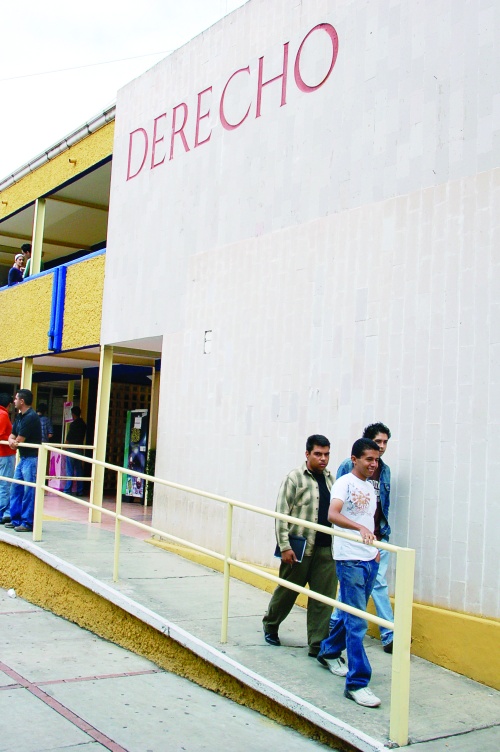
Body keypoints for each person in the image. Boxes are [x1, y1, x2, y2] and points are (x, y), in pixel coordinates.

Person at [317, 438, 381, 708]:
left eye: (376, 460)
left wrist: (374, 548)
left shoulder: (371, 487)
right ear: (354, 459)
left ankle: (329, 651)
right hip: (349, 559)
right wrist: (359, 529)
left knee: (351, 614)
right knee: (358, 621)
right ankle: (357, 683)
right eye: (368, 459)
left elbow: (369, 521)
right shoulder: (344, 482)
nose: (373, 464)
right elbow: (332, 514)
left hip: (369, 558)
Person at [262, 435, 337, 658]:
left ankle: (317, 644)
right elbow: (281, 513)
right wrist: (285, 546)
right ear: (307, 454)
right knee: (287, 591)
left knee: (323, 599)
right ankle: (271, 624)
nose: (323, 459)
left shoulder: (331, 479)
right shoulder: (294, 478)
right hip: (299, 549)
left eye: (326, 454)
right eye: (318, 454)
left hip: (326, 549)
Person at [334, 422, 394, 653]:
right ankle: (388, 634)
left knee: (366, 589)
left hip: (375, 540)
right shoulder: (347, 471)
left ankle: (332, 638)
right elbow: (338, 507)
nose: (382, 447)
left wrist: (378, 541)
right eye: (378, 442)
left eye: (385, 442)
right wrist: (351, 532)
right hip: (351, 542)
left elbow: (377, 509)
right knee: (353, 598)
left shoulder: (384, 471)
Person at [4, 389, 42, 533]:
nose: (14, 401)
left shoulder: (31, 417)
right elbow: (12, 436)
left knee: (28, 491)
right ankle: (16, 519)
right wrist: (11, 440)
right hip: (23, 457)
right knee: (16, 488)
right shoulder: (20, 416)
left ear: (22, 401)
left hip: (31, 458)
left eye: (16, 399)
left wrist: (14, 441)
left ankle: (27, 522)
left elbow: (19, 439)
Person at [0, 393, 16, 524]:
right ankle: (3, 512)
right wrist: (11, 439)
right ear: (9, 405)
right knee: (5, 483)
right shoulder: (3, 414)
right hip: (5, 454)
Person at [63, 406, 87, 496]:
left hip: (71, 448)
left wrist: (64, 446)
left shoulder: (73, 425)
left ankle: (67, 490)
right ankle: (80, 490)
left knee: (70, 470)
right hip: (80, 448)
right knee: (79, 470)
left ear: (73, 414)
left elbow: (69, 438)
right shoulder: (83, 424)